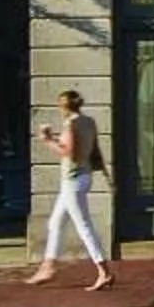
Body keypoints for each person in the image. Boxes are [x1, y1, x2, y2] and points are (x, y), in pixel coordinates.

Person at [27, 89, 111, 290]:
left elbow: (69, 154)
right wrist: (107, 177)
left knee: (83, 226)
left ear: (64, 106)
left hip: (72, 180)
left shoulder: (71, 124)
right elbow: (95, 152)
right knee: (55, 222)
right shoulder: (89, 122)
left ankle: (104, 271)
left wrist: (48, 140)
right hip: (83, 177)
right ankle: (48, 266)